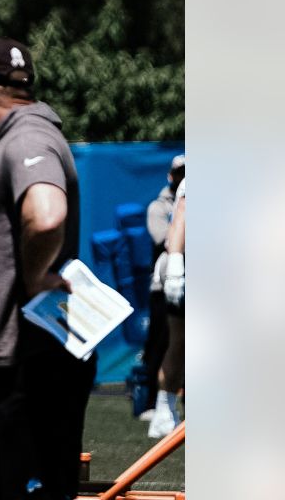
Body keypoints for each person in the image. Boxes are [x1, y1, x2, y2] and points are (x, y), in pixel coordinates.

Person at [0, 37, 96, 500]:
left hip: (29, 361)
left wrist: (35, 277)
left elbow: (46, 214)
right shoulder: (19, 137)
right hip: (29, 355)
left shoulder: (27, 137)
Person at [139, 154, 184, 420]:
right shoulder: (158, 206)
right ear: (170, 175)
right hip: (166, 280)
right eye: (178, 172)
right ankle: (153, 404)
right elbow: (163, 238)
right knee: (161, 342)